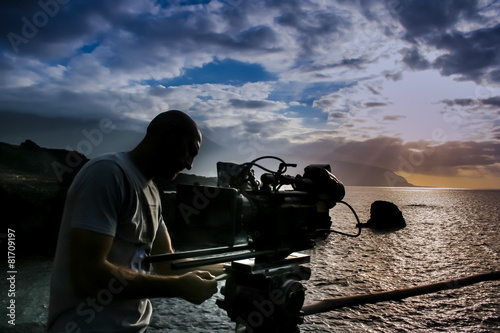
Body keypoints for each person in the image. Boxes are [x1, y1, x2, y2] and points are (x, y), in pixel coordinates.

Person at [48, 110, 219, 332]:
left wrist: (234, 266)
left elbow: (167, 264)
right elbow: (87, 275)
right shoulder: (107, 173)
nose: (190, 165)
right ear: (170, 136)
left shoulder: (153, 192)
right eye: (191, 151)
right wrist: (178, 287)